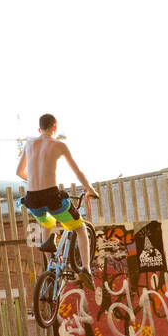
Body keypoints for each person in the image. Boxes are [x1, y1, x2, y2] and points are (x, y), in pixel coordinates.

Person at [17, 113, 99, 276]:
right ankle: (86, 269)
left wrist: (33, 180)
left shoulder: (29, 143)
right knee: (81, 228)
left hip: (32, 200)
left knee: (47, 223)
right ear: (55, 127)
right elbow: (78, 172)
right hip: (52, 198)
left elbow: (19, 172)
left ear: (39, 129)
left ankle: (51, 267)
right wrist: (90, 189)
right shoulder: (59, 145)